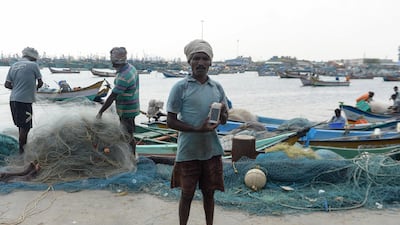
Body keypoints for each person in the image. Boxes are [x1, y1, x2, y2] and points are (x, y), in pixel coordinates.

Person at [166, 39, 229, 225]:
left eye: (204, 58)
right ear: (189, 62)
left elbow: (223, 120)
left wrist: (224, 115)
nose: (200, 63)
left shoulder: (216, 87)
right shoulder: (180, 87)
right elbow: (170, 121)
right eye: (196, 58)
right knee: (187, 194)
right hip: (188, 151)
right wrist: (196, 129)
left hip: (211, 150)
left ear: (210, 62)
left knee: (209, 194)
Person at [96, 47, 140, 158]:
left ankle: (131, 158)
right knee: (127, 134)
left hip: (127, 110)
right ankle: (130, 155)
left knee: (127, 135)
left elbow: (112, 96)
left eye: (112, 59)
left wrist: (101, 112)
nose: (111, 61)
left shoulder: (124, 76)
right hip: (132, 106)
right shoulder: (131, 68)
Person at [4, 47, 43, 154]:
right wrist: (33, 88)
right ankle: (22, 153)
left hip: (13, 100)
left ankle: (21, 148)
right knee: (25, 128)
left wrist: (17, 88)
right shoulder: (33, 65)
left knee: (20, 126)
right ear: (33, 57)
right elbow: (40, 83)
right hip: (25, 101)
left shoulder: (13, 66)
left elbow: (7, 84)